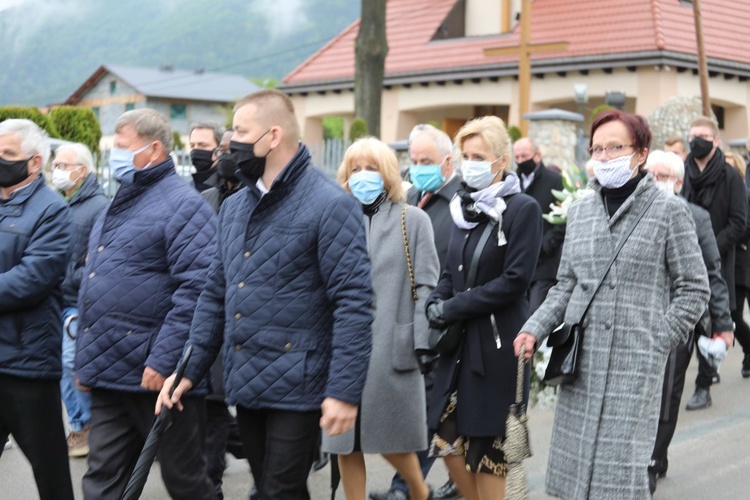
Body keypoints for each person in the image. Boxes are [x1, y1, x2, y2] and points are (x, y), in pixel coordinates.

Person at [156, 89, 374, 500]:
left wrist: (344, 391)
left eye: (241, 130)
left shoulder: (330, 205)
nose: (231, 141)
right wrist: (188, 370)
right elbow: (215, 292)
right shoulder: (235, 207)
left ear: (273, 136)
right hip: (247, 379)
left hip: (301, 382)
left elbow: (354, 303)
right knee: (277, 492)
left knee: (277, 491)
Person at [514, 109, 711, 499]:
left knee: (619, 478)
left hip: (633, 367)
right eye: (597, 149)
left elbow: (694, 289)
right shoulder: (582, 210)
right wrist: (533, 327)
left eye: (615, 147)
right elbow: (567, 283)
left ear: (640, 153)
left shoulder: (668, 211)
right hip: (581, 364)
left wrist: (656, 339)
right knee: (573, 475)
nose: (604, 157)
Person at [75, 109, 217, 499]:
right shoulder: (116, 205)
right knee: (102, 479)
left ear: (153, 148)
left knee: (185, 480)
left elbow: (198, 288)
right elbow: (96, 284)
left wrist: (164, 359)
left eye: (121, 147)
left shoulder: (184, 206)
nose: (114, 155)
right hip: (110, 371)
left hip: (158, 379)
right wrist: (85, 362)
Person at [426, 116, 542, 500]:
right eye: (467, 154)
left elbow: (514, 281)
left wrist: (454, 306)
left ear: (502, 160)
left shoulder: (521, 208)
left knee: (488, 449)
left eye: (480, 155)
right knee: (448, 439)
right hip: (457, 347)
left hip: (496, 349)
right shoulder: (464, 206)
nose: (471, 162)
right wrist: (435, 302)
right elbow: (449, 269)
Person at [329, 137, 438, 500]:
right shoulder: (335, 219)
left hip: (392, 345)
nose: (363, 176)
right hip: (341, 344)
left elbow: (427, 285)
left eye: (371, 168)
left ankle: (420, 492)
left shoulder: (413, 219)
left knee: (392, 437)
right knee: (344, 441)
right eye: (355, 169)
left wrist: (420, 340)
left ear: (388, 172)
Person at [371, 125, 461, 500]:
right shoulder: (413, 197)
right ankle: (419, 485)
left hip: (444, 320)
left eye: (427, 161)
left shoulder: (459, 204)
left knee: (433, 409)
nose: (418, 167)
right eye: (415, 160)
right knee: (433, 411)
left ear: (447, 162)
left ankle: (407, 488)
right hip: (410, 318)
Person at [645, 150, 733, 493]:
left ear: (678, 183)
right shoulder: (630, 212)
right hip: (635, 320)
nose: (657, 182)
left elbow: (713, 272)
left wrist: (723, 324)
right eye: (652, 175)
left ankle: (654, 459)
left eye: (664, 176)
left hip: (675, 321)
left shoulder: (695, 217)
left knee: (666, 394)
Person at [0, 119, 74, 499]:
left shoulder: (52, 211)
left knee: (50, 472)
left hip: (27, 364)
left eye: (7, 155)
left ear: (34, 162)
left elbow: (31, 279)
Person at [681, 116, 747, 410]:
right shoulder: (682, 170)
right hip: (682, 257)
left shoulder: (731, 177)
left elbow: (738, 222)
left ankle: (704, 384)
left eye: (702, 135)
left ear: (716, 140)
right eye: (693, 135)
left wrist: (711, 247)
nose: (696, 140)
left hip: (717, 259)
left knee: (711, 322)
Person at [51, 143, 108, 458]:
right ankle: (82, 426)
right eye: (55, 164)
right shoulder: (67, 203)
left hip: (78, 302)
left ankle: (84, 427)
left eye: (63, 165)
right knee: (65, 366)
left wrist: (64, 278)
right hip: (62, 300)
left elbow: (94, 262)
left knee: (72, 364)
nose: (56, 171)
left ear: (82, 170)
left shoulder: (98, 206)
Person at [512, 137, 565, 312]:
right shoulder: (512, 182)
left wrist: (544, 246)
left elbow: (562, 218)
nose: (521, 161)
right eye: (517, 157)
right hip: (518, 262)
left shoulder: (554, 180)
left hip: (544, 264)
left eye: (524, 156)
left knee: (534, 312)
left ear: (538, 155)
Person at [724, 152, 750, 378]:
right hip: (727, 264)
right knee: (731, 315)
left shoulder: (745, 196)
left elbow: (743, 227)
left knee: (734, 315)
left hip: (742, 265)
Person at [202, 128, 241, 212]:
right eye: (222, 149)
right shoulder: (206, 197)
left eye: (232, 150)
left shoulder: (256, 196)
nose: (225, 154)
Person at [189, 121, 224, 192]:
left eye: (202, 145)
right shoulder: (188, 188)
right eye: (192, 146)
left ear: (219, 150)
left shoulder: (227, 187)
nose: (195, 149)